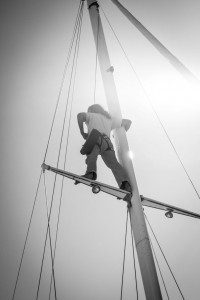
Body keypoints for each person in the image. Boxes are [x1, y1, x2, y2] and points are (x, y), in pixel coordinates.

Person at [77, 104, 132, 195]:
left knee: (92, 156)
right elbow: (128, 122)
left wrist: (82, 133)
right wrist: (120, 134)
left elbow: (80, 116)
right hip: (107, 143)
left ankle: (91, 173)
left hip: (95, 138)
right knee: (114, 164)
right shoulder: (109, 119)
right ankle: (125, 184)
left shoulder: (91, 115)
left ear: (91, 110)